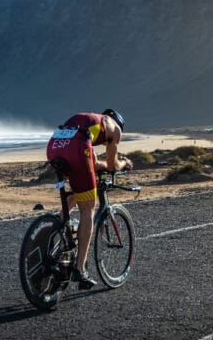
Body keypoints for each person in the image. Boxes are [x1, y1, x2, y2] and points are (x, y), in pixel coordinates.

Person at [46, 109, 133, 289]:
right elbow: (112, 165)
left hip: (54, 146)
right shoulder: (115, 129)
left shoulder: (89, 123)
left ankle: (54, 231)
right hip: (77, 148)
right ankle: (80, 269)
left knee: (80, 192)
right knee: (88, 209)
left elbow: (93, 163)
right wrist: (125, 163)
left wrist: (99, 166)